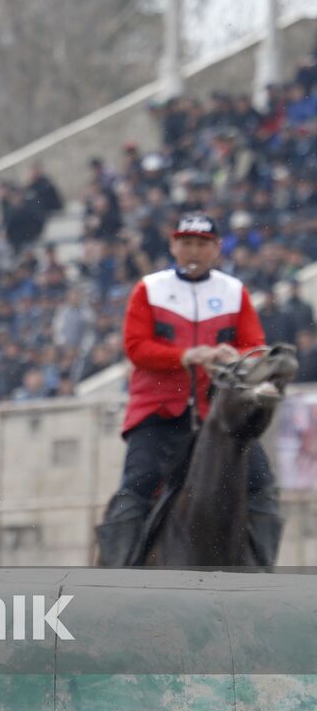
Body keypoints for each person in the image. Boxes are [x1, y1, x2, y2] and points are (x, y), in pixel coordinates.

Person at [94, 213, 281, 568]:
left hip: (222, 416)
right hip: (159, 413)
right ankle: (117, 579)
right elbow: (136, 347)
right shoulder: (149, 289)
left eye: (202, 243)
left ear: (216, 248)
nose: (193, 250)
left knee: (262, 487)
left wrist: (234, 357)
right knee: (135, 489)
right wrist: (186, 356)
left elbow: (255, 348)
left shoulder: (234, 292)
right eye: (187, 243)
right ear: (173, 246)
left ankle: (265, 569)